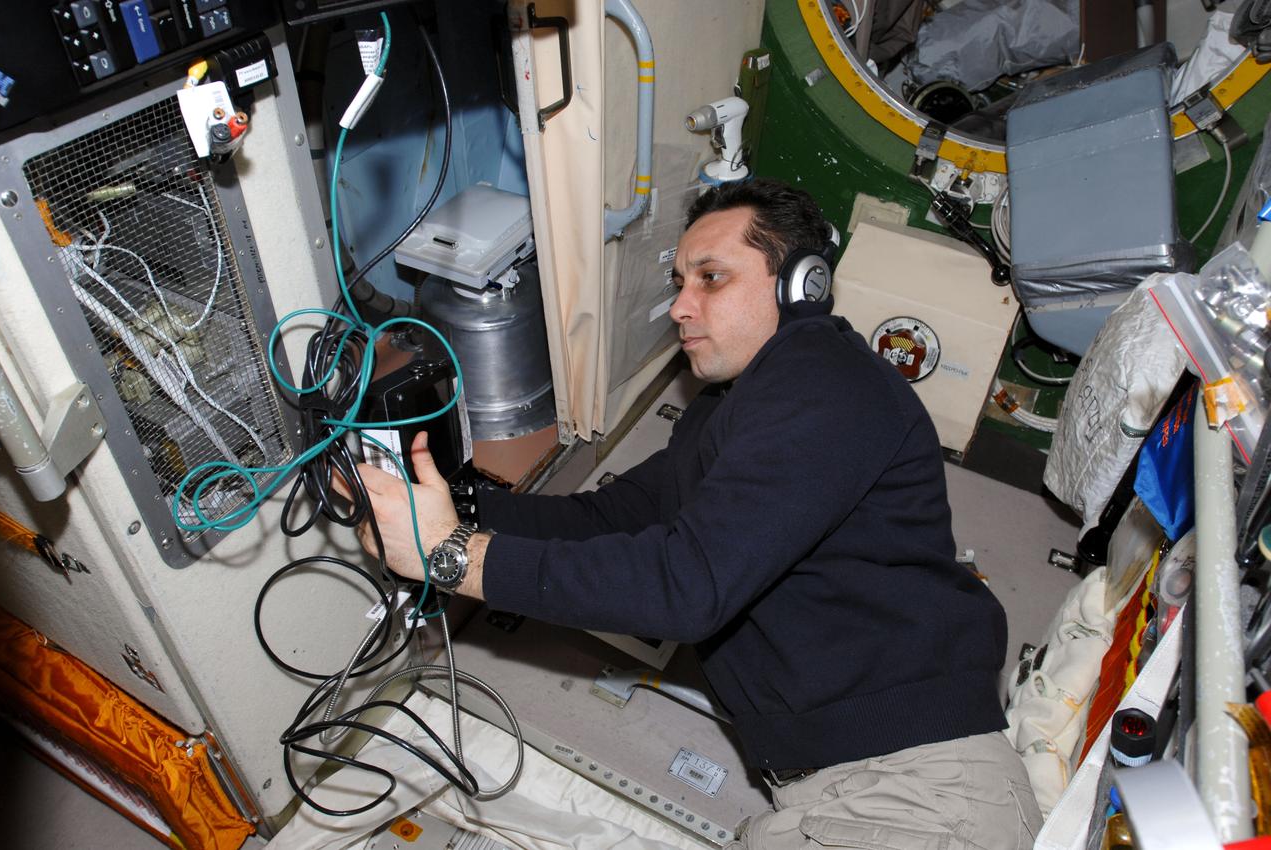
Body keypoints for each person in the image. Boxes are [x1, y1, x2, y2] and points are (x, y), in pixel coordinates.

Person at [335, 178, 1042, 849]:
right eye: (678, 283)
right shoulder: (725, 416)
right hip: (842, 794)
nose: (680, 305)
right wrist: (439, 508)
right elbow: (609, 517)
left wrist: (450, 556)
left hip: (922, 797)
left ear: (804, 285)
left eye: (711, 277)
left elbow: (685, 587)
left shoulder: (825, 379)